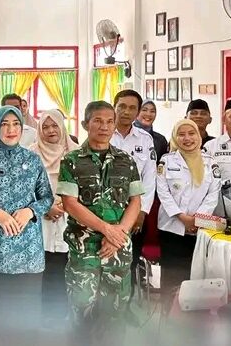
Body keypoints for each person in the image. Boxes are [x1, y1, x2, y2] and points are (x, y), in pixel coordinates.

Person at [0, 105, 53, 345]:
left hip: (28, 251)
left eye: (15, 124)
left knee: (28, 315)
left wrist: (30, 211)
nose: (10, 129)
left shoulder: (32, 159)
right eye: (4, 124)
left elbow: (47, 197)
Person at [57, 101, 143, 345]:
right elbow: (70, 203)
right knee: (81, 308)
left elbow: (135, 201)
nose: (104, 127)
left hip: (118, 249)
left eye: (109, 122)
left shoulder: (126, 160)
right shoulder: (72, 160)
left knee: (115, 311)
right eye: (98, 121)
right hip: (85, 249)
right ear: (86, 124)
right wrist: (106, 229)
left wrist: (118, 234)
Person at [156, 120, 221, 307]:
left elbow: (213, 194)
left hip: (200, 229)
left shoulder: (210, 162)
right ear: (175, 137)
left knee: (195, 276)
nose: (187, 138)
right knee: (171, 277)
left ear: (198, 136)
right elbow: (163, 193)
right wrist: (182, 217)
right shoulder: (166, 161)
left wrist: (197, 219)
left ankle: (192, 317)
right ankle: (168, 314)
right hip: (171, 227)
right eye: (181, 134)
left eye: (191, 133)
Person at [28, 110, 79, 323]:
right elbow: (25, 187)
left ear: (62, 127)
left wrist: (65, 205)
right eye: (45, 127)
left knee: (66, 266)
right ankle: (43, 315)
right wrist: (46, 206)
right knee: (44, 267)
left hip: (70, 215)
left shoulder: (76, 152)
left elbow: (84, 185)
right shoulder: (31, 153)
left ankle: (65, 313)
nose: (50, 131)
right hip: (41, 218)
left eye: (54, 125)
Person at [111, 89, 156, 305]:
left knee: (129, 261)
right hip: (105, 211)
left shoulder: (145, 139)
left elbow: (150, 177)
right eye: (122, 106)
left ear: (138, 112)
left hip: (135, 212)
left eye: (132, 108)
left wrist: (142, 211)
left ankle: (124, 307)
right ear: (114, 107)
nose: (126, 112)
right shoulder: (103, 133)